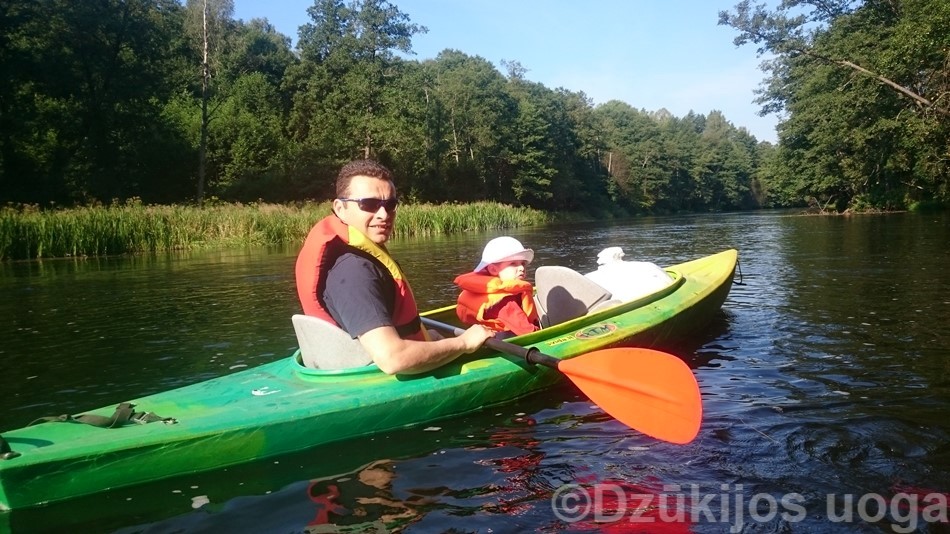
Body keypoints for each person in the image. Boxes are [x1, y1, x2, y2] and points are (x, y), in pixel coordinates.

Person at [295, 159, 493, 375]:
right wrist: (463, 344)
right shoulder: (353, 272)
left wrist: (430, 343)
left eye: (390, 204)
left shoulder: (358, 259)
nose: (383, 214)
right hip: (383, 376)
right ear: (340, 208)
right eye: (368, 204)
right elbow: (394, 359)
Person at [453, 236, 540, 337]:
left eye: (523, 263)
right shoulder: (505, 303)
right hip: (504, 344)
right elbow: (528, 333)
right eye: (513, 264)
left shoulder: (486, 293)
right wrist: (538, 330)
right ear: (493, 270)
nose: (521, 268)